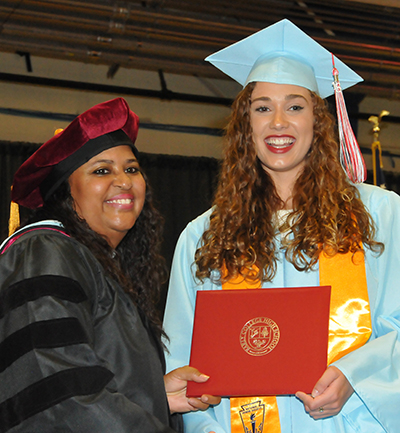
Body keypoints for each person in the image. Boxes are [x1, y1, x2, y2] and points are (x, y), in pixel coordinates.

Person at [163, 19, 400, 433]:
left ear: (318, 121)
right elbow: (185, 369)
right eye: (261, 108)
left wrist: (356, 376)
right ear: (245, 125)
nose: (278, 123)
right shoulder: (204, 237)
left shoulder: (379, 216)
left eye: (294, 106)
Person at [0, 97, 220, 432]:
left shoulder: (96, 264)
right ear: (64, 191)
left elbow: (96, 379)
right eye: (102, 170)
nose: (123, 180)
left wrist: (156, 395)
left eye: (131, 168)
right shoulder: (44, 250)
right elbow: (58, 390)